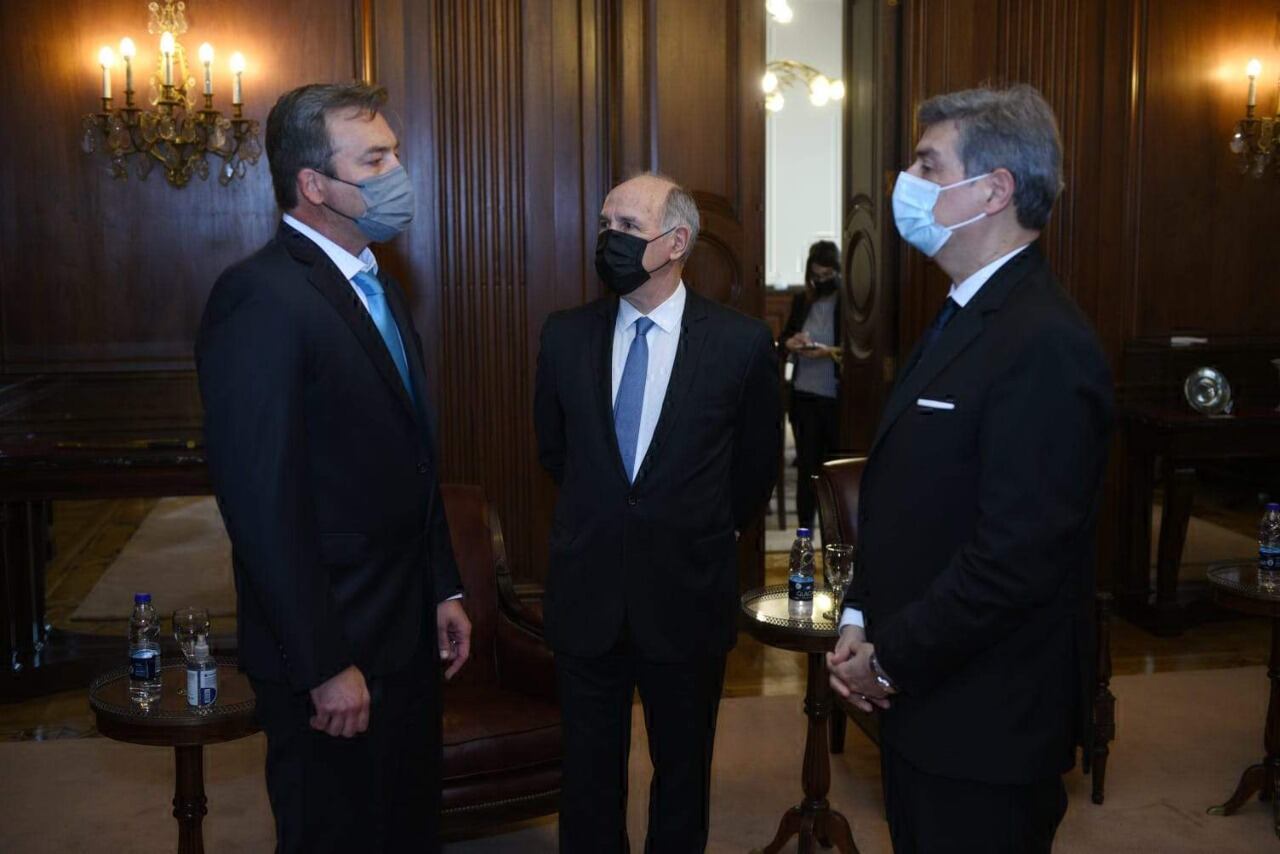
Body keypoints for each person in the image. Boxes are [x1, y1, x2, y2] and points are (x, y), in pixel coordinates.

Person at [825, 84, 1113, 853]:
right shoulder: (961, 311)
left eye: (927, 162)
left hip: (987, 723)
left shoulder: (1045, 340)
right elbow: (903, 496)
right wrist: (858, 618)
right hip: (928, 704)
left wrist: (888, 659)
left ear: (993, 189)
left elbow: (1016, 559)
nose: (907, 181)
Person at [196, 82, 472, 854]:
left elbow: (412, 461)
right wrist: (322, 664)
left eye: (396, 153)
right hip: (333, 655)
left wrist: (442, 582)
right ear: (314, 185)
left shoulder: (374, 284)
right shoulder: (259, 298)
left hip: (406, 637)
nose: (397, 174)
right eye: (375, 159)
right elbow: (261, 504)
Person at [534, 173, 781, 853]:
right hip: (587, 594)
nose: (608, 240)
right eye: (605, 225)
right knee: (587, 780)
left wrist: (695, 526)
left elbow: (754, 468)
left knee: (683, 776)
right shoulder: (564, 337)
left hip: (686, 593)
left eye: (626, 228)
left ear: (676, 243)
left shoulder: (740, 344)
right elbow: (556, 454)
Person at [778, 239, 844, 531]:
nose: (821, 281)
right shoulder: (801, 301)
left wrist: (828, 351)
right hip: (804, 394)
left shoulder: (847, 303)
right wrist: (791, 344)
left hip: (834, 398)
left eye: (827, 276)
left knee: (833, 469)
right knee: (806, 469)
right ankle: (804, 531)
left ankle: (835, 535)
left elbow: (855, 350)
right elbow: (783, 342)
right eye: (816, 276)